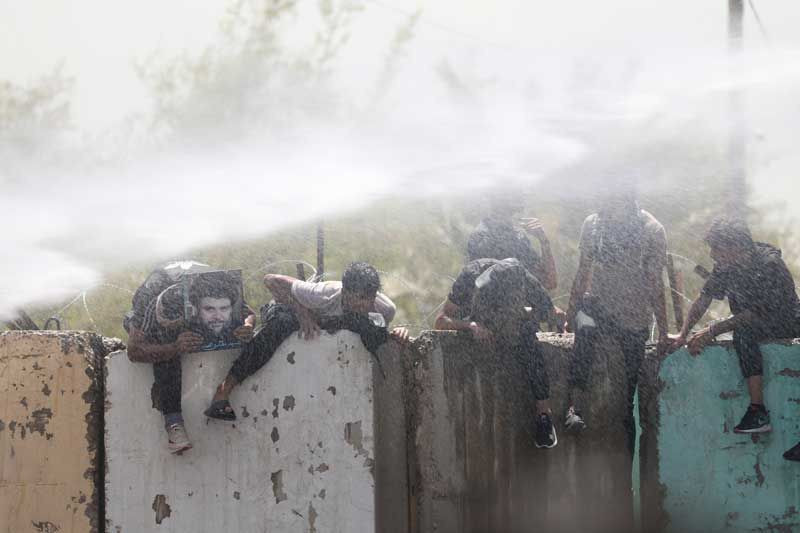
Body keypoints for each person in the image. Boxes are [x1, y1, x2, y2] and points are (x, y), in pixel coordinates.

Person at [205, 262, 410, 421]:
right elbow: (270, 279)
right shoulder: (325, 294)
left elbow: (380, 331)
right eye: (359, 298)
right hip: (287, 309)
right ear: (345, 292)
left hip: (327, 333)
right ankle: (223, 392)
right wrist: (302, 313)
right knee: (280, 326)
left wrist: (398, 332)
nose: (365, 304)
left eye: (369, 298)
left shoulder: (384, 308)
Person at [668, 217, 800, 454]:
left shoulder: (769, 265)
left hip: (788, 323)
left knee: (743, 330)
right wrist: (682, 334)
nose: (712, 254)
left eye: (716, 248)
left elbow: (755, 313)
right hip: (753, 325)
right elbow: (704, 298)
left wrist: (711, 331)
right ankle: (758, 413)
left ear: (736, 246)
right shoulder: (726, 267)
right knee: (743, 334)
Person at [564, 186, 668, 458]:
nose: (603, 202)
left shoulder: (651, 230)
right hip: (599, 307)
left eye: (608, 195)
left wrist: (665, 332)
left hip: (633, 319)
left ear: (625, 198)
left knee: (626, 402)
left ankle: (627, 465)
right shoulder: (594, 224)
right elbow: (583, 271)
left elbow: (656, 285)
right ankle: (575, 407)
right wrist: (569, 311)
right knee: (584, 321)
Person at [126, 261, 256, 454]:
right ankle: (173, 424)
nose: (218, 316)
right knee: (164, 342)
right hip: (158, 317)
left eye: (223, 308)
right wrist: (174, 347)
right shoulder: (151, 298)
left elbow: (249, 313)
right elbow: (134, 351)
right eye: (209, 309)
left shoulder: (216, 283)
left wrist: (247, 326)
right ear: (194, 308)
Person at [435, 257, 560, 448]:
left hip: (513, 323)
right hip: (477, 325)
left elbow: (552, 314)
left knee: (530, 338)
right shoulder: (470, 277)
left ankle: (544, 415)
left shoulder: (526, 280)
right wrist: (470, 325)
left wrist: (521, 313)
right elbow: (441, 322)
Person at [467, 189, 558, 292]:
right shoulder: (484, 237)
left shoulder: (517, 237)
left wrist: (543, 241)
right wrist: (543, 241)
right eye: (516, 194)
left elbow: (549, 281)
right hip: (507, 305)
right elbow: (548, 282)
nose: (521, 199)